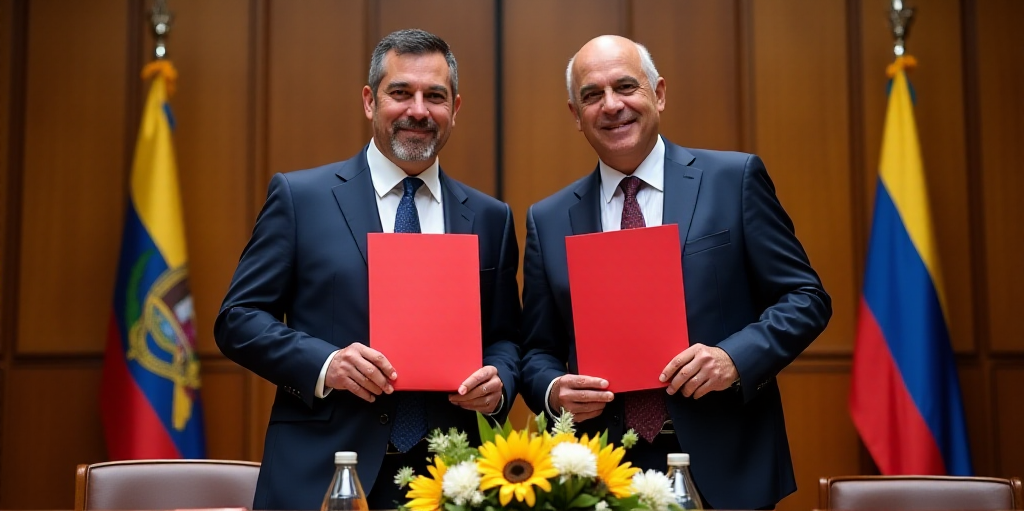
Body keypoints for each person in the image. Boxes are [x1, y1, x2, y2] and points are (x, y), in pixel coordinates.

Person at [519, 35, 832, 510]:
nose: (611, 105)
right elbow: (538, 349)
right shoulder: (549, 218)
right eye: (592, 95)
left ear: (658, 94)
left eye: (626, 86)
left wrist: (733, 359)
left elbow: (806, 298)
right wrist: (554, 389)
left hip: (728, 464)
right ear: (575, 116)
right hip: (604, 472)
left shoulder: (734, 179)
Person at [215, 29, 521, 510]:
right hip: (326, 472)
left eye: (434, 96)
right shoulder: (301, 199)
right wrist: (326, 364)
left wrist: (499, 380)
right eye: (400, 93)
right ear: (369, 101)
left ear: (455, 109)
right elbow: (238, 319)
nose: (418, 110)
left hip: (454, 480)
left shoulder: (490, 217)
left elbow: (506, 336)